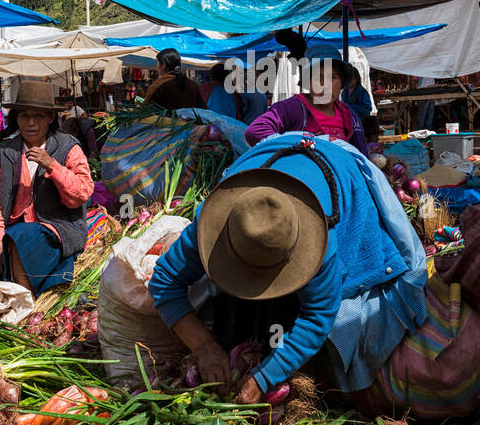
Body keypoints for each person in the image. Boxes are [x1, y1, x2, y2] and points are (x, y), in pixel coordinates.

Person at [147, 134, 427, 402]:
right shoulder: (214, 224)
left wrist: (265, 377)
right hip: (276, 152)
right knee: (232, 314)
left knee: (340, 321)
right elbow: (163, 283)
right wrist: (204, 347)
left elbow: (317, 317)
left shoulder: (322, 243)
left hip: (338, 169)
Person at [0, 81, 94, 295]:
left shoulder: (68, 147)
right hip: (8, 230)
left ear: (50, 118)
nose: (30, 123)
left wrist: (52, 166)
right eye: (24, 116)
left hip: (53, 228)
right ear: (16, 118)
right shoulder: (2, 152)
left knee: (21, 235)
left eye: (38, 116)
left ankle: (21, 303)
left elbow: (82, 193)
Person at [245, 49, 370, 155]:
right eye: (317, 78)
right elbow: (255, 131)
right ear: (308, 83)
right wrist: (296, 147)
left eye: (332, 78)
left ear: (342, 83)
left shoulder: (348, 114)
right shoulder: (293, 108)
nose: (324, 85)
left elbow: (360, 152)